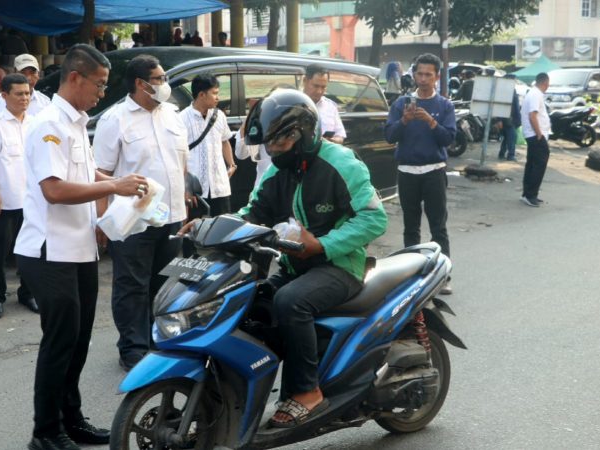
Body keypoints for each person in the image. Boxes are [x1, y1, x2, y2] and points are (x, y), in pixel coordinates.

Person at [183, 89, 387, 428]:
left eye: (280, 142)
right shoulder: (277, 173)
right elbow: (252, 214)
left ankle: (307, 391)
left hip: (339, 266)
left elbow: (374, 218)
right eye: (269, 143)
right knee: (249, 304)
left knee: (291, 302)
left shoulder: (341, 164)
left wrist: (322, 244)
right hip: (295, 266)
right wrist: (209, 225)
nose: (273, 150)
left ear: (303, 134)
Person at [13, 44, 146, 450]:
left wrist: (117, 189)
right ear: (75, 77)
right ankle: (45, 433)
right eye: (99, 84)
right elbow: (54, 190)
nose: (102, 93)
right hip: (48, 252)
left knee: (77, 342)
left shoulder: (76, 123)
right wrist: (114, 185)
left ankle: (71, 420)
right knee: (60, 343)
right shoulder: (48, 125)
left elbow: (84, 175)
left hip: (79, 247)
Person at [94, 54, 190, 372]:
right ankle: (133, 348)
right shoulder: (115, 119)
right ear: (140, 83)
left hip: (172, 217)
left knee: (164, 284)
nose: (165, 84)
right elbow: (101, 173)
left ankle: (157, 340)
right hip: (133, 220)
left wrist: (185, 203)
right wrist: (101, 220)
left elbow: (181, 165)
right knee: (132, 285)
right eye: (160, 79)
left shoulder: (173, 115)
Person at [385, 53, 456, 294]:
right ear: (414, 75)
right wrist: (404, 121)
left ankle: (443, 276)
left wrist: (431, 122)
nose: (423, 79)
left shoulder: (444, 105)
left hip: (434, 171)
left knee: (438, 226)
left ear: (437, 76)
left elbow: (449, 139)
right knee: (411, 226)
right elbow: (389, 136)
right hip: (407, 172)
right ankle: (412, 276)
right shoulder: (401, 104)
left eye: (428, 74)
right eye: (420, 74)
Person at [0, 73, 39, 319]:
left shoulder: (35, 122)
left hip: (31, 199)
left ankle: (28, 293)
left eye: (27, 93)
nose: (25, 98)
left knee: (30, 249)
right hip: (3, 199)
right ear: (4, 96)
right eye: (19, 94)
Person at [180, 73, 236, 216]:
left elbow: (224, 141)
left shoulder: (219, 116)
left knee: (222, 224)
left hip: (219, 186)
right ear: (201, 95)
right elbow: (179, 155)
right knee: (196, 226)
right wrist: (186, 187)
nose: (218, 98)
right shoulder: (182, 119)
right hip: (196, 189)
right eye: (214, 93)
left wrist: (231, 164)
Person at [0, 54, 51, 121]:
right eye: (23, 73)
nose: (28, 78)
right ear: (13, 73)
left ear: (38, 75)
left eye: (32, 72)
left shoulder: (45, 103)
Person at [520, 72, 551, 207]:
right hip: (535, 134)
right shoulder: (535, 94)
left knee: (532, 164)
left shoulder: (533, 93)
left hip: (533, 134)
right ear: (545, 83)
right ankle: (530, 194)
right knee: (539, 165)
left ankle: (528, 193)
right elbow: (532, 115)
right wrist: (539, 134)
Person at [303, 64, 346, 144]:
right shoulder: (293, 103)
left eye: (323, 87)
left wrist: (332, 141)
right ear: (305, 81)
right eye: (316, 86)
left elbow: (340, 136)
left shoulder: (331, 107)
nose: (319, 91)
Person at [498, 74, 522, 161]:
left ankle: (502, 153)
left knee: (507, 137)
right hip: (507, 119)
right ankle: (511, 155)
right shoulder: (504, 91)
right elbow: (499, 106)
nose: (515, 82)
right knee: (512, 137)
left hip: (511, 118)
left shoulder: (512, 90)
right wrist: (499, 120)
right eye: (513, 80)